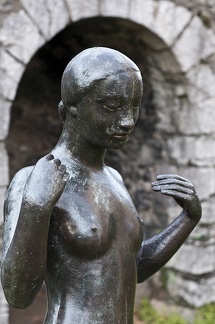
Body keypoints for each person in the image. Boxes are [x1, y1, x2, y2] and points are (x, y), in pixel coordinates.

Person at [1, 47, 201, 324]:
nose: (128, 120)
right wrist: (36, 206)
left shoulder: (114, 179)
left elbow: (132, 267)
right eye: (111, 106)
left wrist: (188, 219)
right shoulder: (33, 180)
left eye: (134, 105)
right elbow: (17, 295)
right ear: (69, 109)